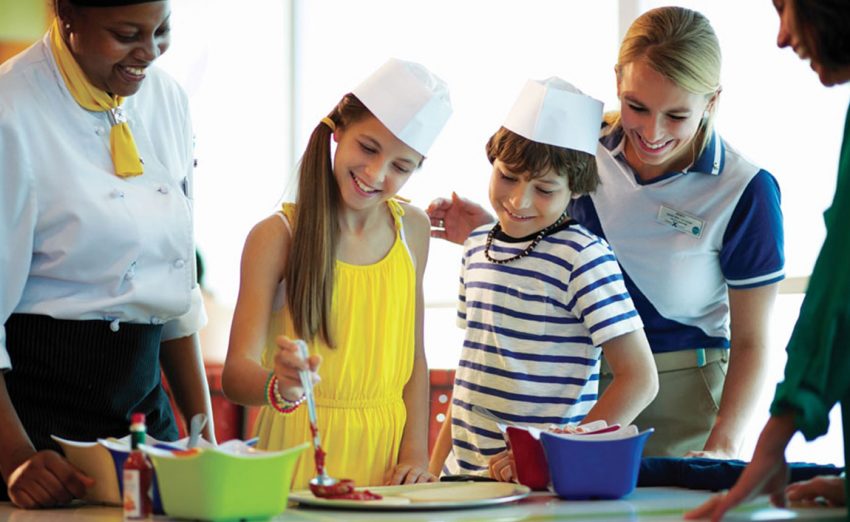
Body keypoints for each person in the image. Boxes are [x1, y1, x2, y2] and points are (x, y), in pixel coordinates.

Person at [428, 6, 785, 460]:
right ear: (618, 80)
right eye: (637, 107)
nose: (652, 133)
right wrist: (495, 229)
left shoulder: (744, 189)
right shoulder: (580, 146)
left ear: (711, 102)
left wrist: (723, 445)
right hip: (569, 386)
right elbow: (559, 246)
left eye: (676, 115)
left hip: (680, 394)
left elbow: (753, 341)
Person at [0, 0, 215, 509]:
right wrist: (15, 457)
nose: (150, 52)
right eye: (126, 34)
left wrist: (203, 436)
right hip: (33, 428)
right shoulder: (11, 110)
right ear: (67, 16)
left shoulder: (166, 98)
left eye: (162, 30)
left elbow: (174, 292)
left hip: (144, 417)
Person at [222, 58, 453, 490]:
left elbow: (414, 358)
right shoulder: (277, 236)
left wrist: (415, 456)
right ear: (339, 130)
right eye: (368, 148)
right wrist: (281, 385)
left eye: (401, 166)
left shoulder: (413, 230)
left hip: (387, 473)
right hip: (298, 463)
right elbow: (236, 373)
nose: (376, 173)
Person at [427, 77, 658, 481]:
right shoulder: (476, 245)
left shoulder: (583, 256)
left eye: (545, 189)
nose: (519, 200)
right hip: (459, 477)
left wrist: (560, 453)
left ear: (574, 190)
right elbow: (472, 373)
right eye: (508, 176)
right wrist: (434, 471)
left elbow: (640, 379)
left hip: (537, 482)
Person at [685, 0, 850, 518]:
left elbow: (838, 286)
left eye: (784, 6)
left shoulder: (749, 188)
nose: (782, 36)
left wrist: (773, 437)